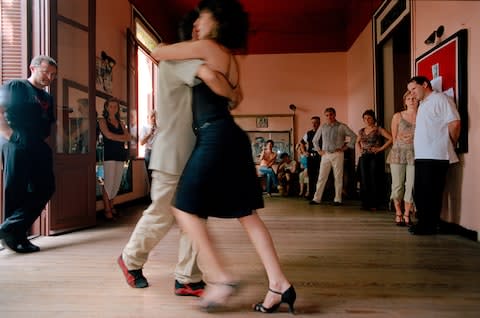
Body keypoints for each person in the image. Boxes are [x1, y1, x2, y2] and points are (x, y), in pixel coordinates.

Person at [151, 0, 295, 313]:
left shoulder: (205, 47)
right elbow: (236, 95)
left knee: (185, 209)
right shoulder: (228, 57)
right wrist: (217, 83)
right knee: (248, 215)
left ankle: (220, 279)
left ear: (216, 20)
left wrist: (172, 49)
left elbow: (158, 52)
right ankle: (279, 284)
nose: (196, 24)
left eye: (201, 17)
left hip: (215, 136)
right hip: (230, 135)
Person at [118, 9, 240, 295]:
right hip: (173, 151)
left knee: (195, 216)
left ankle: (188, 277)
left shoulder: (190, 66)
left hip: (194, 152)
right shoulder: (182, 64)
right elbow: (212, 77)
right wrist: (233, 91)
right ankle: (129, 259)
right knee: (162, 213)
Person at [0, 55, 57, 253]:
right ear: (32, 68)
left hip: (38, 143)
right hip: (16, 140)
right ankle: (16, 239)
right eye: (46, 72)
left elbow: (47, 124)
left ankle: (8, 228)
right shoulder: (16, 86)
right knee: (16, 189)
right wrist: (10, 135)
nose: (49, 77)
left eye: (53, 74)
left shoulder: (48, 97)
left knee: (46, 187)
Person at [407, 76, 461, 235]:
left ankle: (429, 226)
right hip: (422, 155)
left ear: (425, 85)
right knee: (421, 192)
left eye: (414, 89)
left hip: (436, 155)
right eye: (410, 91)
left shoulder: (441, 99)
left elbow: (455, 123)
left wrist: (451, 142)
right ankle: (424, 223)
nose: (412, 94)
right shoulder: (423, 104)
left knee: (432, 192)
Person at [310, 107, 356, 206]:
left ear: (334, 115)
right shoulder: (322, 127)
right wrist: (318, 150)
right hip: (325, 155)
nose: (329, 117)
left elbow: (354, 136)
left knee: (338, 177)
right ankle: (316, 199)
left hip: (338, 154)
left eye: (331, 114)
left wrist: (345, 147)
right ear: (325, 116)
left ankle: (338, 199)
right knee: (322, 177)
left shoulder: (342, 126)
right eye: (327, 115)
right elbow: (315, 140)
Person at [386, 91, 418, 226]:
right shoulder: (398, 116)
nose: (411, 100)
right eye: (409, 98)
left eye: (414, 98)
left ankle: (407, 213)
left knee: (411, 185)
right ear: (405, 101)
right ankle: (398, 212)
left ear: (418, 101)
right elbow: (394, 137)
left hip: (415, 152)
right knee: (398, 185)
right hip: (398, 152)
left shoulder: (422, 116)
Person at [98, 98, 131, 219]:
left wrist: (118, 137)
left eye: (115, 107)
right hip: (109, 155)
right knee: (108, 183)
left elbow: (128, 137)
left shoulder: (121, 122)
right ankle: (107, 210)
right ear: (106, 107)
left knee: (116, 183)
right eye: (111, 106)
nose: (113, 109)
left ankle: (112, 206)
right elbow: (108, 135)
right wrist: (122, 137)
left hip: (120, 155)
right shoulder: (102, 120)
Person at [356, 109, 392, 211]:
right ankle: (365, 203)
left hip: (374, 157)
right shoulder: (361, 131)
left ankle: (374, 204)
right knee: (364, 179)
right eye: (365, 118)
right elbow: (357, 141)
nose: (367, 120)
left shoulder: (378, 129)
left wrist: (380, 149)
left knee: (373, 179)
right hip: (364, 157)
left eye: (369, 118)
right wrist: (360, 149)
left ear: (373, 119)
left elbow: (391, 138)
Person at [302, 116, 321, 200]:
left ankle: (320, 195)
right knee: (311, 176)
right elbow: (301, 143)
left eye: (316, 122)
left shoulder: (322, 132)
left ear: (319, 123)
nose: (314, 124)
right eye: (312, 122)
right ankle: (311, 194)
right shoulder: (308, 133)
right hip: (310, 158)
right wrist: (304, 152)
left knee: (320, 177)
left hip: (321, 157)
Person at [138, 109, 157, 183]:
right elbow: (142, 142)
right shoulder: (144, 127)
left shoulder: (160, 128)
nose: (154, 118)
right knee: (151, 176)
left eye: (155, 116)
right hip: (149, 152)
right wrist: (149, 134)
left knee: (158, 176)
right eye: (152, 116)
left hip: (158, 153)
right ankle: (151, 194)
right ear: (148, 117)